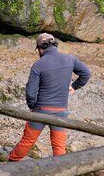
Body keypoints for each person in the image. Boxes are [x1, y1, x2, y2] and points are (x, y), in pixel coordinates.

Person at [8, 33, 91, 161]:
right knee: (59, 145)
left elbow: (30, 91)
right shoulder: (70, 59)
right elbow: (86, 73)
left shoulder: (39, 65)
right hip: (61, 111)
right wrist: (74, 86)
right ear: (55, 45)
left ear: (40, 48)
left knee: (28, 141)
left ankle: (10, 163)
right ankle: (59, 175)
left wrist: (32, 107)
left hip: (41, 110)